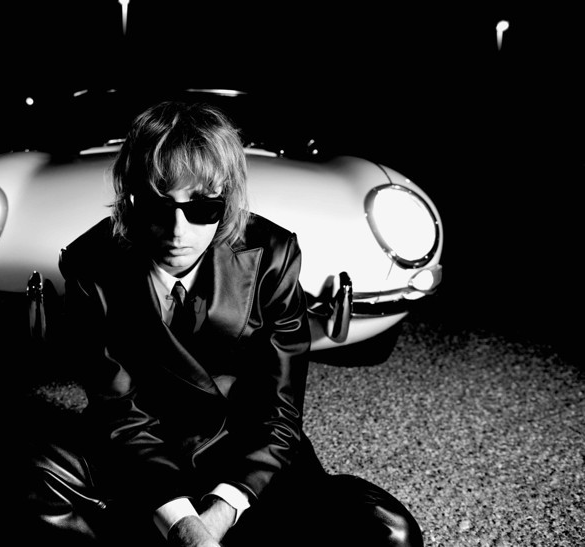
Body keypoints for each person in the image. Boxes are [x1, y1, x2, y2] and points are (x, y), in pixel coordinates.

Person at [29, 100, 423, 546]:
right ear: (130, 197)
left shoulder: (273, 255)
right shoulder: (90, 262)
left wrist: (217, 516)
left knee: (391, 532)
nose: (177, 231)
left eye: (202, 207)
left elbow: (278, 412)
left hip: (243, 446)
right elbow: (119, 413)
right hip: (139, 449)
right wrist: (182, 523)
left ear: (228, 200)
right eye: (158, 205)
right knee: (28, 478)